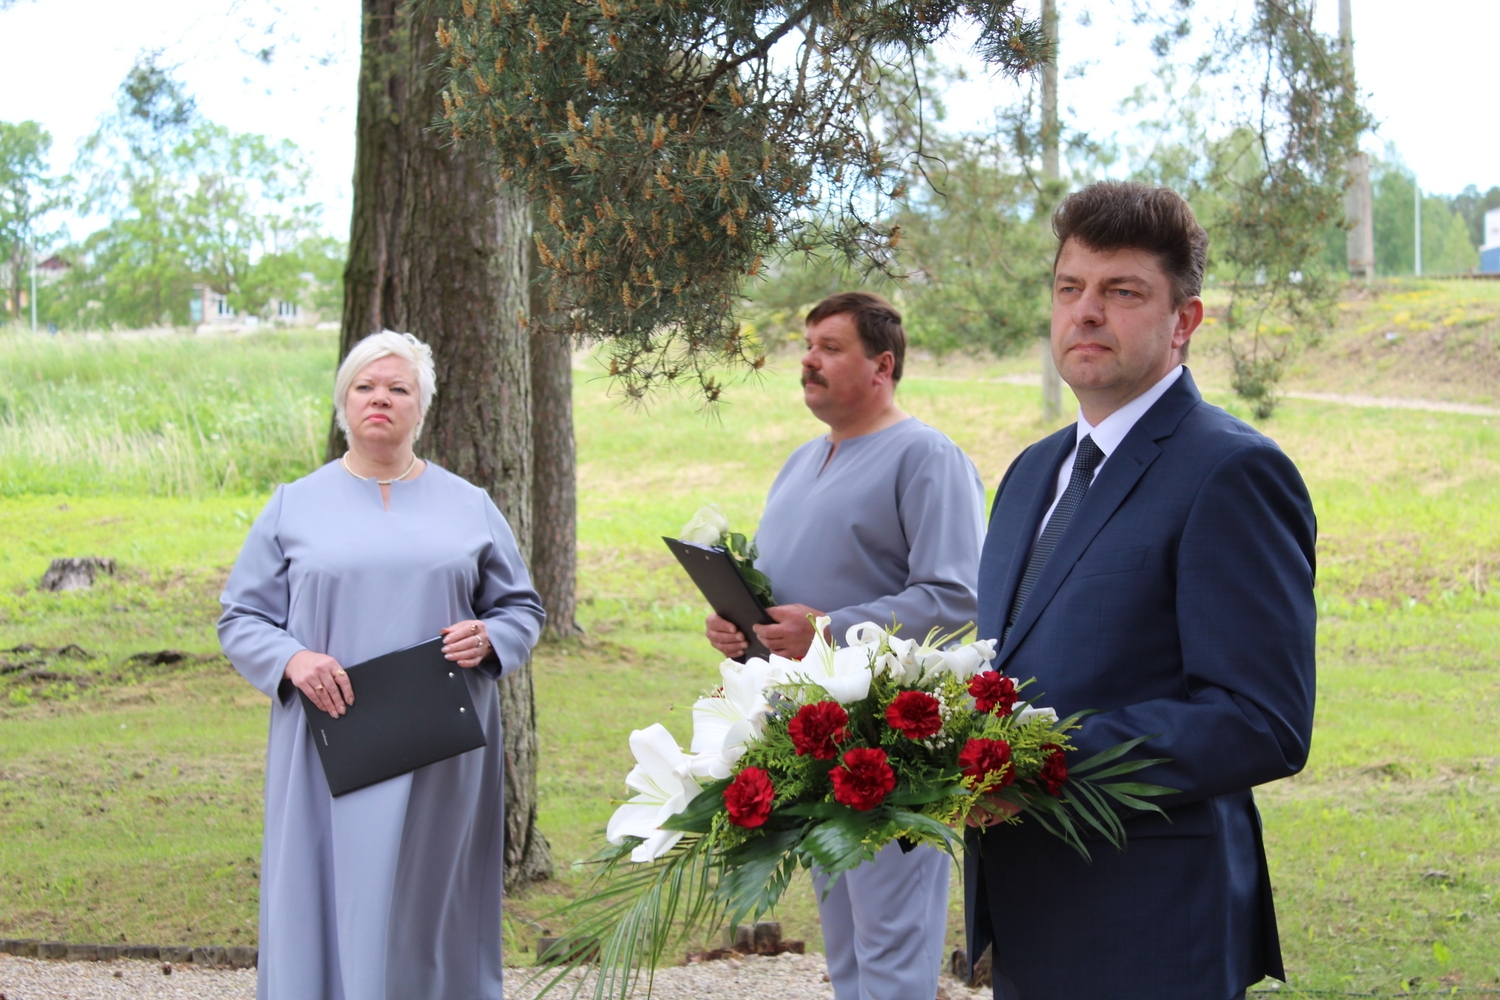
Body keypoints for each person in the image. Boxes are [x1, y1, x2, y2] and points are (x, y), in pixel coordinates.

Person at [964, 182, 1317, 1000]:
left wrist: (1040, 765)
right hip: (1026, 916)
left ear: (1184, 320)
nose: (1086, 312)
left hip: (1155, 927)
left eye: (1122, 292)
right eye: (1070, 288)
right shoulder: (1027, 473)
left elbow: (1261, 721)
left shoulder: (1232, 472)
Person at [218, 330, 545, 1000]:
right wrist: (293, 658)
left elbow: (521, 610)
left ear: (421, 406)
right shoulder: (293, 504)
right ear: (343, 401)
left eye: (399, 388)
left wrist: (490, 637)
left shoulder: (470, 505)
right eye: (366, 386)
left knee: (430, 903)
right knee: (331, 893)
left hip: (441, 751)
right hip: (330, 744)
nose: (381, 400)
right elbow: (241, 619)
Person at [706, 292, 986, 1000]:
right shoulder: (803, 460)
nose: (808, 360)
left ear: (882, 365)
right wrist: (742, 628)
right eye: (807, 346)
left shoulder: (927, 456)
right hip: (812, 738)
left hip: (894, 742)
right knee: (850, 946)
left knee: (892, 946)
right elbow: (788, 593)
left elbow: (957, 601)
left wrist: (826, 627)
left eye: (830, 347)